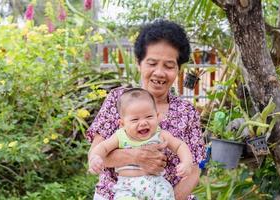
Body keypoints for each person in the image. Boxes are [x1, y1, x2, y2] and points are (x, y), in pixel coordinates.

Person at [86, 19, 205, 200]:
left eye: (169, 65)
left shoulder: (187, 112)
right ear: (139, 63)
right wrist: (136, 156)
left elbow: (194, 171)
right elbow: (97, 155)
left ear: (178, 69)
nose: (159, 72)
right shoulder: (117, 100)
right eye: (152, 63)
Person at [89, 88, 193, 200]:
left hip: (157, 185)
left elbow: (180, 145)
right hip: (127, 188)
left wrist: (186, 162)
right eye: (135, 120)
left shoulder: (160, 134)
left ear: (157, 117)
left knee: (166, 195)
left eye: (149, 117)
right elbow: (102, 148)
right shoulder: (120, 136)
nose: (143, 123)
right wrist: (95, 158)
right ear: (122, 123)